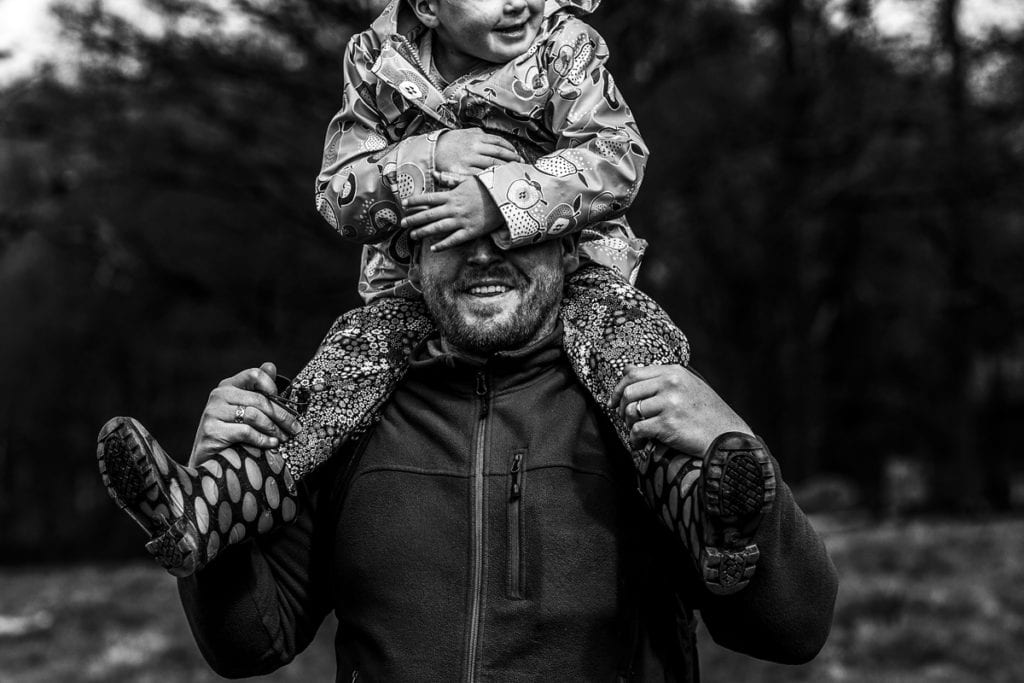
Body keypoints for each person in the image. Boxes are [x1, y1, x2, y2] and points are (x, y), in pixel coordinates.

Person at [97, 0, 774, 597]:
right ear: (424, 5)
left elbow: (617, 155)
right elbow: (338, 194)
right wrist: (431, 155)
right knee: (328, 386)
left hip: (581, 270)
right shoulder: (375, 60)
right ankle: (205, 507)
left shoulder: (565, 43)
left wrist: (499, 198)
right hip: (411, 292)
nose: (520, 4)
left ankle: (713, 517)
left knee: (642, 373)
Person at [173, 233, 837, 680]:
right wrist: (215, 500)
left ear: (568, 248)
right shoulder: (346, 415)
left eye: (513, 232)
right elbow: (251, 642)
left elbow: (792, 629)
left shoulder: (636, 406)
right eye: (451, 237)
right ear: (410, 257)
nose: (482, 258)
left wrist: (736, 442)